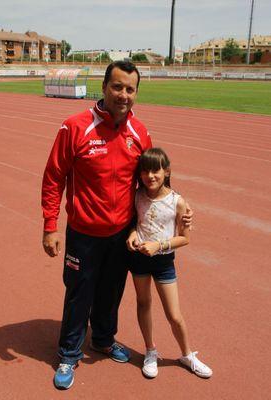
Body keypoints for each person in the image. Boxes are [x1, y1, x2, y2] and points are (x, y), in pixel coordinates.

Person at [41, 61, 193, 390]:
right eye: (117, 87)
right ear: (105, 86)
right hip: (83, 233)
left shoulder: (140, 133)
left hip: (122, 233)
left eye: (130, 89)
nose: (123, 94)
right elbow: (54, 177)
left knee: (111, 291)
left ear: (136, 93)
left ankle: (104, 339)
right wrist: (50, 225)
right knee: (79, 293)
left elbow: (152, 183)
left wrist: (177, 206)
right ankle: (69, 352)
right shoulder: (75, 126)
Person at [126, 147, 212, 380]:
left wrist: (159, 246)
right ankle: (150, 351)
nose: (150, 176)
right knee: (143, 303)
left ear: (167, 172)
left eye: (155, 171)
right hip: (139, 259)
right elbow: (134, 222)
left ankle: (187, 354)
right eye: (144, 172)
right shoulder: (136, 195)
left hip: (164, 262)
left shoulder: (178, 202)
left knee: (174, 314)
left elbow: (184, 238)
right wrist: (133, 233)